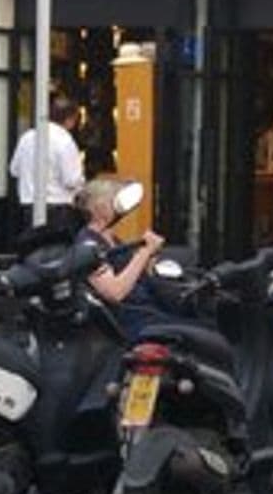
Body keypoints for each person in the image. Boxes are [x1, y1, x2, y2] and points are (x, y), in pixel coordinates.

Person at [74, 178, 167, 342]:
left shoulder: (114, 240)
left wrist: (148, 260)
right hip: (132, 321)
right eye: (116, 199)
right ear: (99, 206)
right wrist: (144, 253)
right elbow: (114, 292)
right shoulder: (88, 245)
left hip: (150, 311)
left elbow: (132, 275)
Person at [9, 95, 85, 232]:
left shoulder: (27, 137)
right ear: (70, 120)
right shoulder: (65, 141)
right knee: (56, 250)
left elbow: (14, 170)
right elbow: (71, 180)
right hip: (58, 208)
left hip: (29, 206)